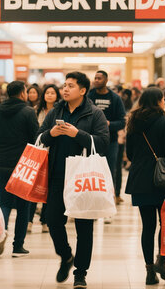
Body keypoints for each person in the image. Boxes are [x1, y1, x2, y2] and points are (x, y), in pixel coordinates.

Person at [38, 72, 109, 289]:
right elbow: (40, 137)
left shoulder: (94, 113)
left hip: (83, 178)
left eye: (70, 86)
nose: (65, 89)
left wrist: (76, 133)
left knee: (84, 227)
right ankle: (66, 255)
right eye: (64, 85)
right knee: (52, 220)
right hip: (58, 174)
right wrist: (52, 132)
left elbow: (104, 142)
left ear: (83, 90)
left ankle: (80, 272)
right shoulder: (56, 111)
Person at [125, 88, 165, 285]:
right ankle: (161, 259)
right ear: (158, 101)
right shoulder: (164, 121)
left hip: (140, 180)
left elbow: (129, 152)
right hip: (163, 180)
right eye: (162, 99)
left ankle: (149, 270)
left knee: (147, 226)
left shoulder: (133, 121)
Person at [0, 81, 39, 257]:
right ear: (23, 93)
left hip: (1, 163)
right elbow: (35, 138)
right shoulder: (28, 112)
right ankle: (18, 246)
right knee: (24, 206)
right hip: (23, 165)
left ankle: (2, 232)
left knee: (4, 202)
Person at [87, 70, 127, 209]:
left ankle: (109, 200)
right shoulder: (89, 96)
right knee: (92, 171)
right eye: (95, 78)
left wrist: (109, 124)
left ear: (106, 80)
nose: (96, 80)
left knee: (110, 171)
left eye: (99, 78)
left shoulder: (115, 98)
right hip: (92, 141)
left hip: (111, 141)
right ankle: (93, 199)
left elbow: (122, 122)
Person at [30, 84, 61, 233]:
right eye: (47, 93)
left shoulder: (59, 112)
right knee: (33, 186)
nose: (49, 95)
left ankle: (44, 220)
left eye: (52, 93)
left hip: (53, 153)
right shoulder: (36, 110)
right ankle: (29, 220)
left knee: (48, 189)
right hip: (38, 151)